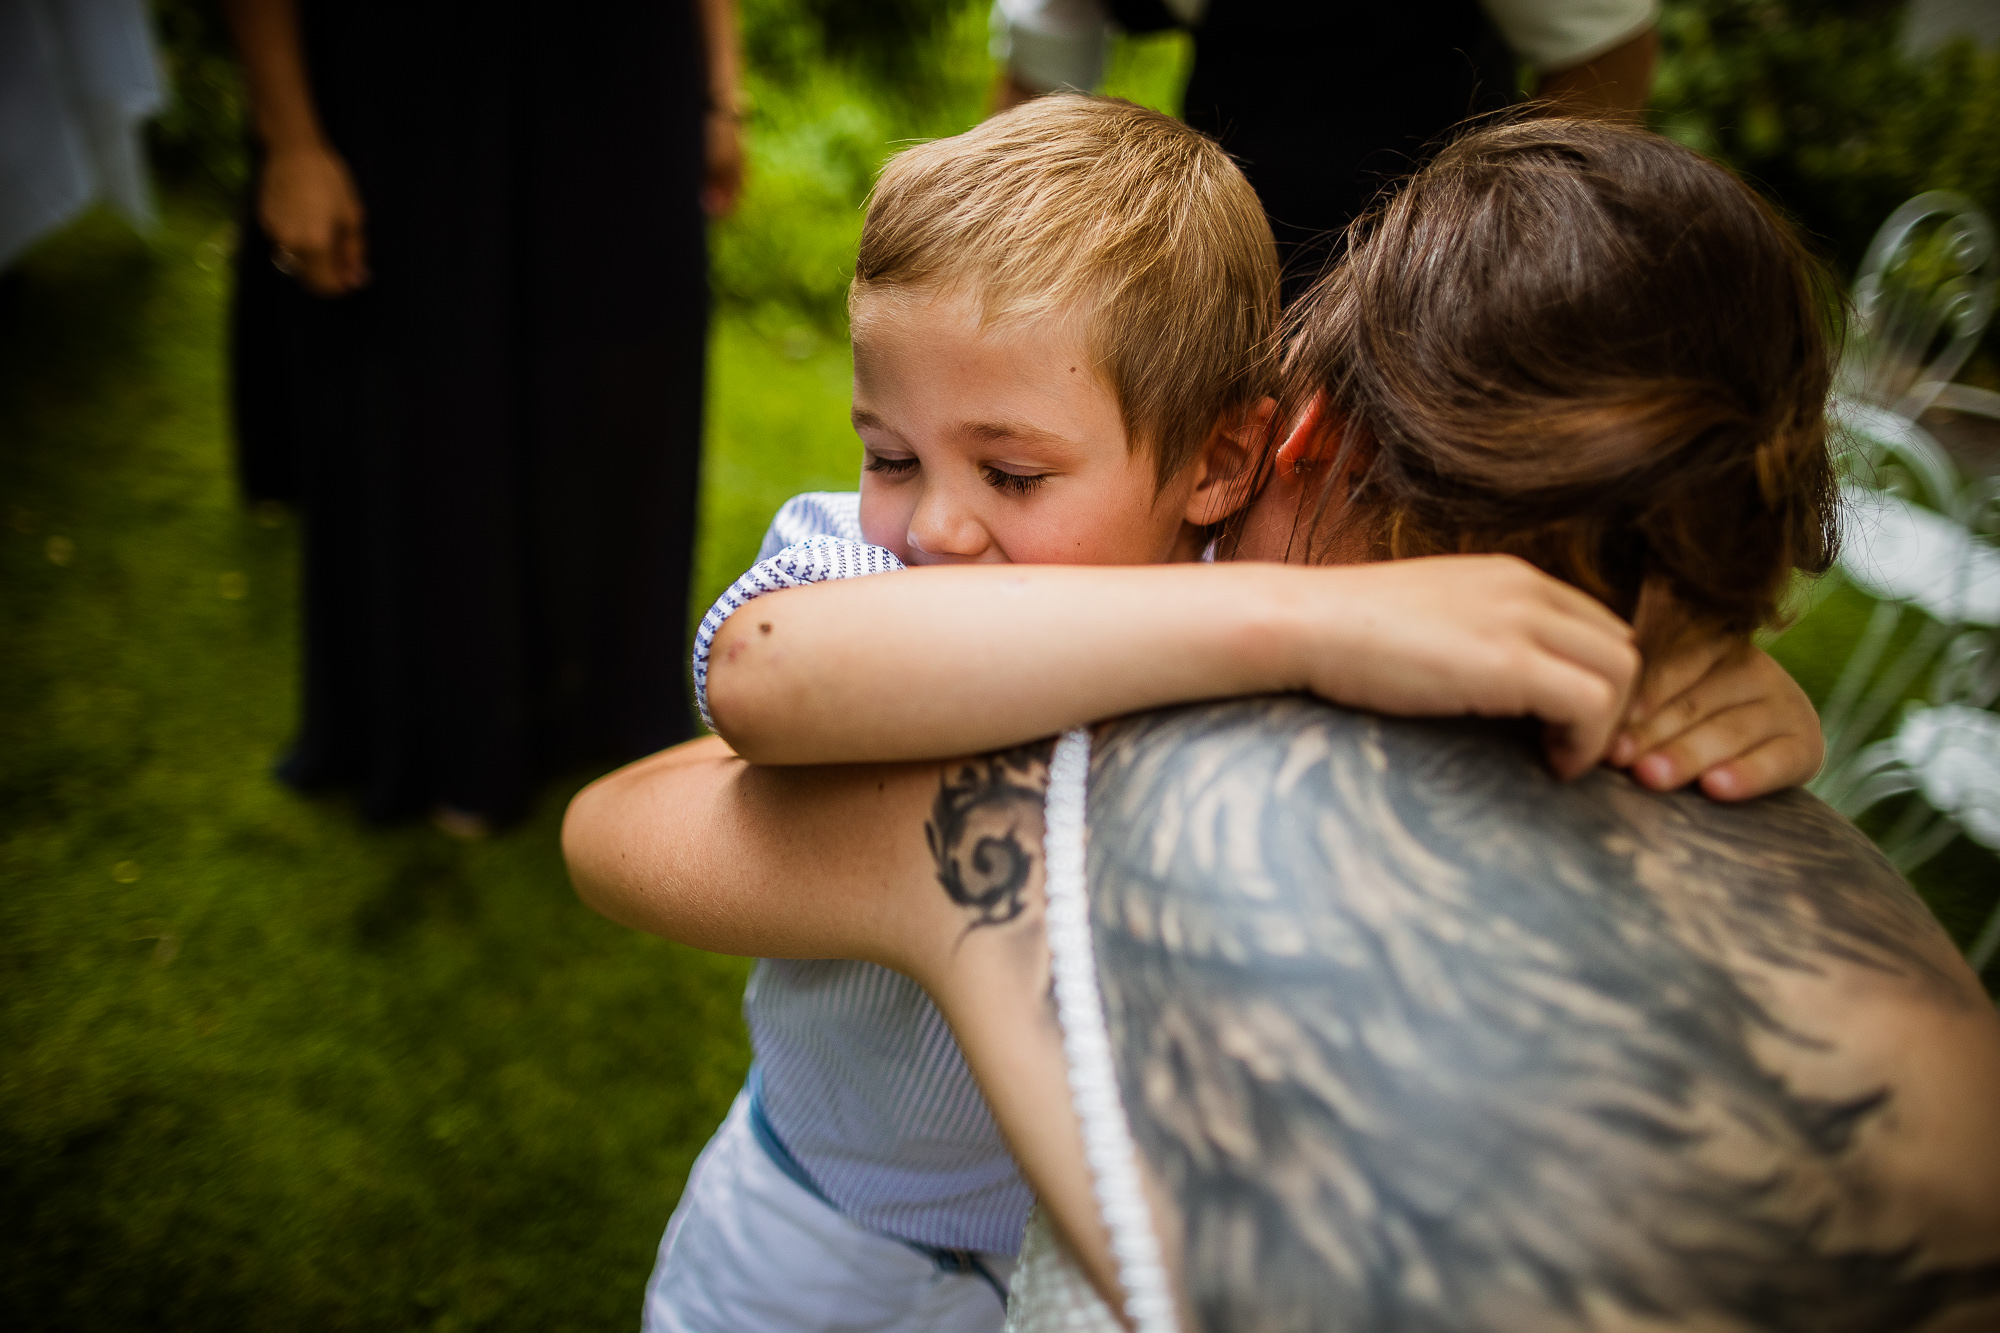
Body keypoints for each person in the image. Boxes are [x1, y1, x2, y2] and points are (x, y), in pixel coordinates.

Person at [565, 117, 2000, 1330]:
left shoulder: (1167, 538)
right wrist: (1302, 620)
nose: (935, 519)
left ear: (1241, 456)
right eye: (889, 455)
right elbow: (764, 674)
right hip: (821, 1226)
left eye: (1010, 474)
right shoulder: (937, 576)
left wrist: (1727, 693)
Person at [221, 0, 742, 831]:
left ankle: (604, 704)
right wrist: (290, 139)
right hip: (412, 78)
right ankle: (453, 729)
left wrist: (722, 93)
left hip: (626, 65)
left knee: (630, 378)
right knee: (433, 385)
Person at [991, 0, 1659, 291]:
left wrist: (1515, 264)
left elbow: (1604, 51)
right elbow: (1029, 101)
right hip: (1236, 222)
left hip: (1442, 234)